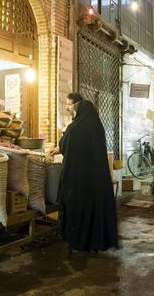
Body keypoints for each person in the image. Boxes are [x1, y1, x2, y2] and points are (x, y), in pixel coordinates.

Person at [57, 99, 119, 252]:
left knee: (77, 209)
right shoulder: (97, 127)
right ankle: (95, 242)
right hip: (95, 178)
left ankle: (78, 243)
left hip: (76, 177)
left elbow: (63, 147)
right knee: (93, 209)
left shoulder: (73, 128)